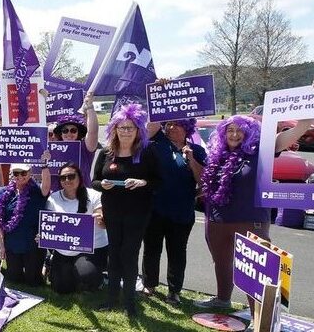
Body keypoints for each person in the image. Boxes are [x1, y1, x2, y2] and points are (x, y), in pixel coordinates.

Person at [195, 116, 314, 318]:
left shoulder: (259, 151)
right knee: (221, 260)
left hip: (251, 219)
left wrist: (303, 124)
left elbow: (284, 138)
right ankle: (222, 299)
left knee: (255, 268)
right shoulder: (217, 154)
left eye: (239, 130)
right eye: (230, 130)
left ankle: (259, 316)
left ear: (249, 133)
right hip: (218, 219)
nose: (234, 134)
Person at [91, 103, 158, 318]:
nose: (126, 131)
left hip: (137, 214)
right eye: (122, 127)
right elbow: (94, 181)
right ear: (114, 129)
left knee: (129, 255)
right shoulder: (106, 153)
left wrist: (142, 182)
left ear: (138, 130)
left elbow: (159, 181)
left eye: (130, 127)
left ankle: (129, 301)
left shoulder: (147, 152)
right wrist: (103, 185)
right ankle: (111, 299)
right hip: (112, 213)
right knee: (114, 255)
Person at [142, 118, 206, 305]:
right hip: (155, 209)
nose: (171, 127)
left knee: (177, 252)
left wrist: (192, 160)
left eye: (176, 124)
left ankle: (174, 290)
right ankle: (149, 284)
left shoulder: (198, 150)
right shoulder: (155, 145)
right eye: (168, 124)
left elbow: (203, 182)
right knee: (152, 249)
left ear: (186, 128)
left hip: (182, 212)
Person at [46, 163, 108, 294]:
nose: (67, 180)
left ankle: (100, 278)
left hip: (92, 248)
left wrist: (100, 219)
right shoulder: (54, 198)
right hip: (65, 249)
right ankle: (56, 265)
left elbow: (103, 224)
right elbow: (48, 224)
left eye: (71, 176)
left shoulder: (94, 195)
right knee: (60, 288)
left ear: (79, 177)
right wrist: (43, 236)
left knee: (87, 276)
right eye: (63, 178)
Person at [0, 158, 51, 288]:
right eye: (16, 173)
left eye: (24, 173)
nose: (20, 176)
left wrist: (44, 165)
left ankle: (45, 267)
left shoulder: (37, 191)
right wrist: (2, 246)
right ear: (11, 174)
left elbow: (47, 186)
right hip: (12, 243)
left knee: (33, 281)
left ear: (30, 173)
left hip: (32, 243)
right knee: (15, 279)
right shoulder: (4, 193)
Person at [53, 89, 100, 187]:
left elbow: (93, 132)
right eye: (65, 130)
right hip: (59, 195)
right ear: (60, 134)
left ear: (78, 133)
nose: (69, 133)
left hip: (81, 194)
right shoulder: (53, 149)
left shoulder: (84, 148)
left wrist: (90, 107)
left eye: (73, 130)